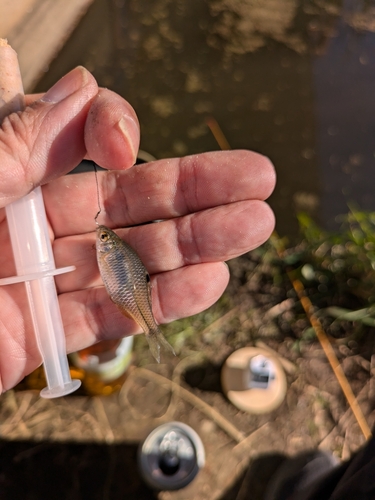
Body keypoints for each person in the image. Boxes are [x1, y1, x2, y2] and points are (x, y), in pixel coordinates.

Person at [0, 66, 276, 393]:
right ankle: (149, 332)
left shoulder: (108, 251)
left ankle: (151, 331)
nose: (101, 238)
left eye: (103, 238)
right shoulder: (107, 250)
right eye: (104, 238)